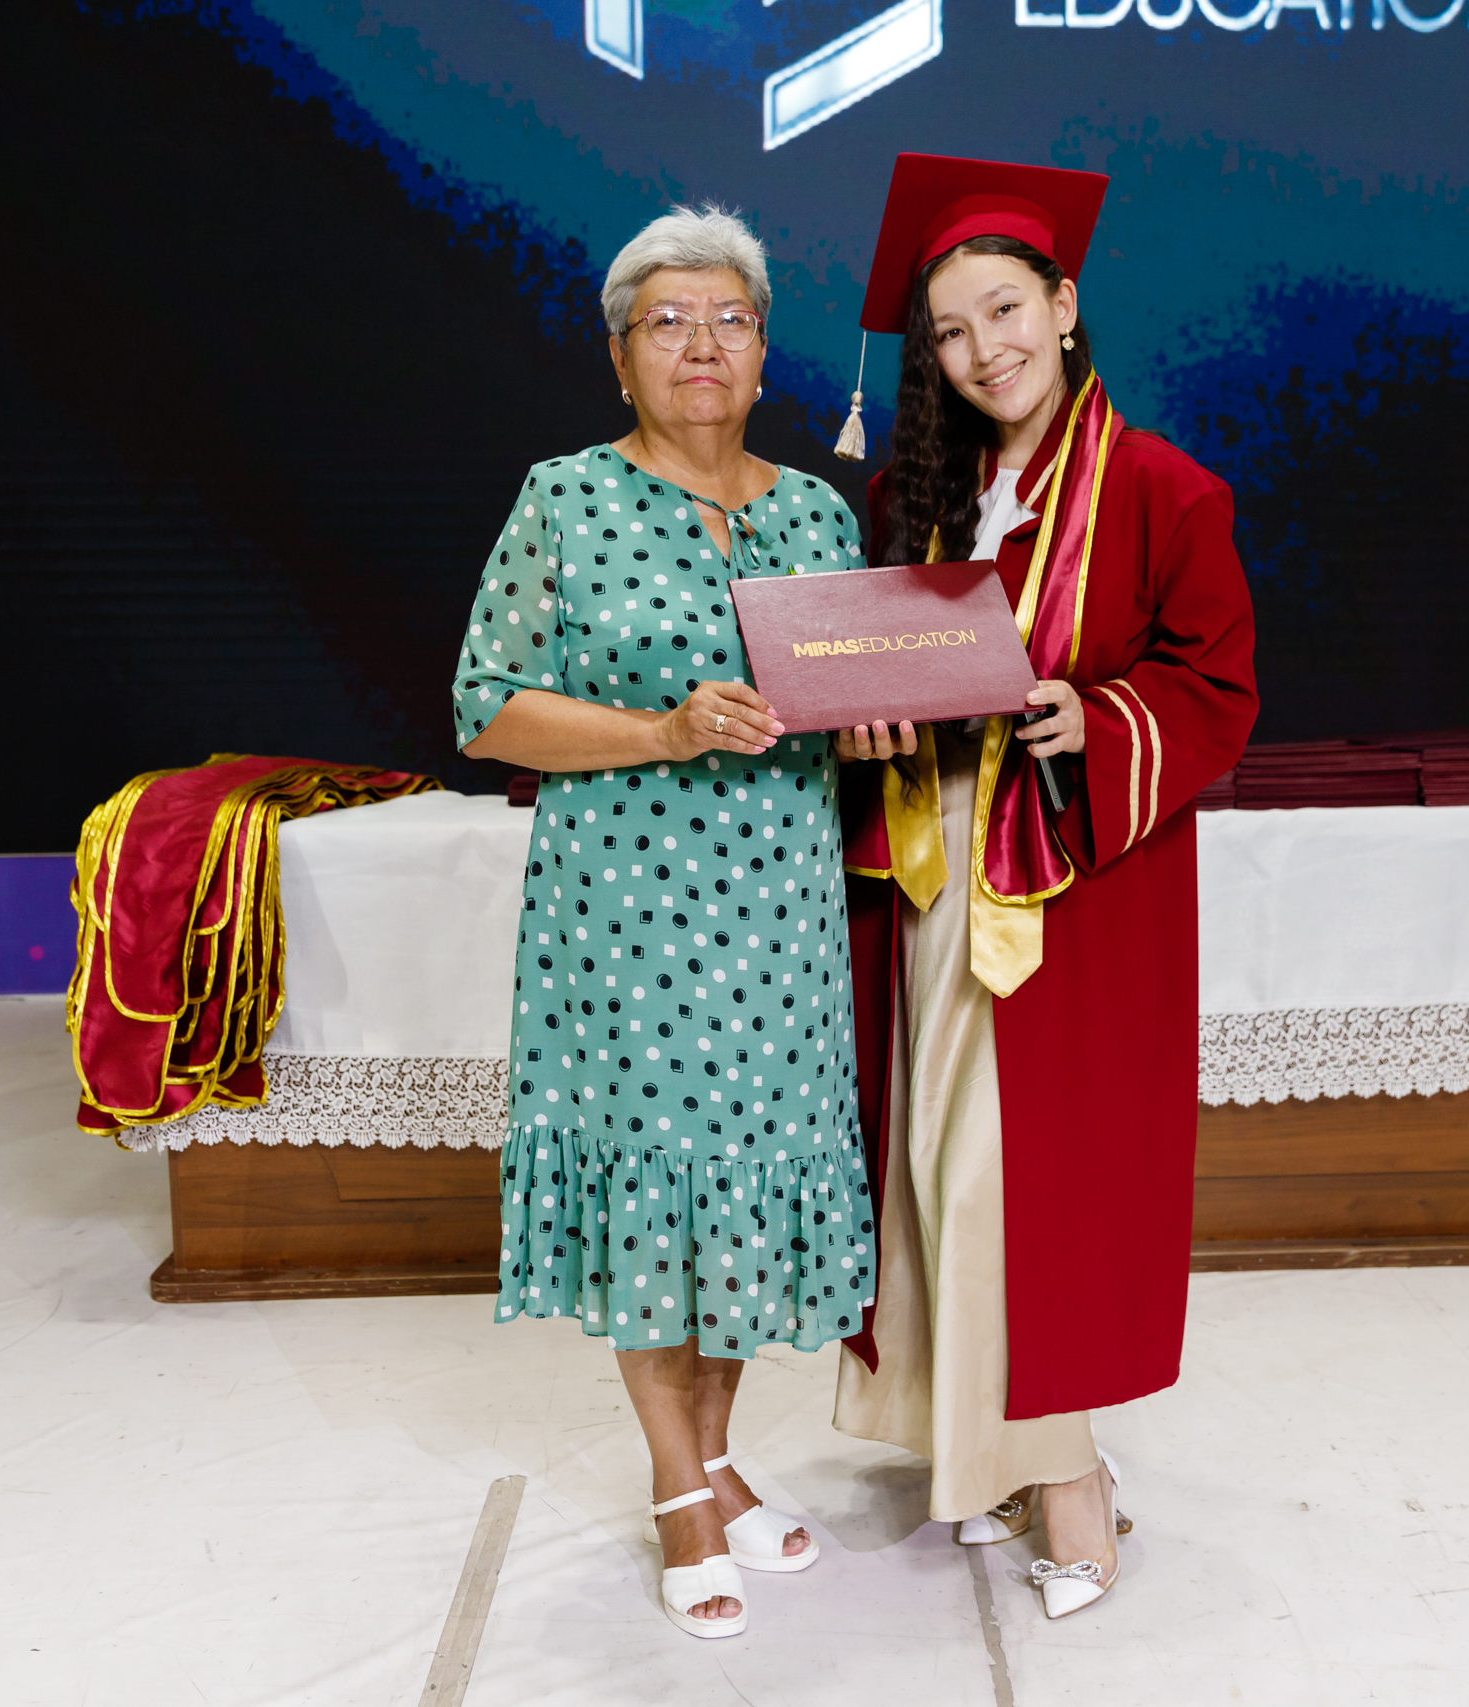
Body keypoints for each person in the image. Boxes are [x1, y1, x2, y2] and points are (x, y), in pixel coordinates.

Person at [829, 155, 1259, 1621]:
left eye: (1005, 311)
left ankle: (1069, 1475)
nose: (982, 350)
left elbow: (1215, 687)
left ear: (1065, 306)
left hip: (1073, 887)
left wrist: (1102, 717)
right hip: (922, 867)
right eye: (950, 332)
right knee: (932, 1163)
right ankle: (986, 1453)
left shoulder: (1163, 491)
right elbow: (867, 667)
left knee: (1020, 1180)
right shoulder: (911, 496)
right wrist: (865, 722)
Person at [452, 204, 876, 1641]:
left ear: (763, 351)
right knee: (654, 1185)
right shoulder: (565, 499)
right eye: (669, 321)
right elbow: (487, 708)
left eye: (731, 320)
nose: (703, 344)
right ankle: (681, 1490)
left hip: (781, 922)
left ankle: (719, 1454)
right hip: (625, 918)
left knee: (740, 1188)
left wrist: (881, 723)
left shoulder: (817, 514)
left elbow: (844, 704)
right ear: (621, 353)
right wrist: (661, 729)